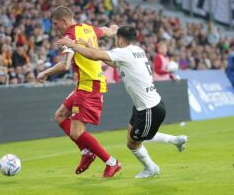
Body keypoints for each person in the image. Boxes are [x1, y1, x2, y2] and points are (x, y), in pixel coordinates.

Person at [57, 25, 188, 178]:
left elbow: (95, 56)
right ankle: (175, 141)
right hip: (144, 106)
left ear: (119, 39)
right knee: (135, 135)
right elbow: (113, 62)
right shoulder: (138, 50)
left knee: (133, 143)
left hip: (149, 108)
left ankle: (151, 168)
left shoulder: (123, 52)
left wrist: (73, 45)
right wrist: (90, 46)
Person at [37, 6, 121, 178]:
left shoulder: (69, 36)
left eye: (55, 24)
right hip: (85, 83)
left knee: (76, 133)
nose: (54, 27)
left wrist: (45, 72)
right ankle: (86, 153)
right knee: (59, 116)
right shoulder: (87, 28)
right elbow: (105, 31)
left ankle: (112, 162)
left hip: (90, 86)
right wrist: (113, 30)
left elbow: (66, 64)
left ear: (65, 21)